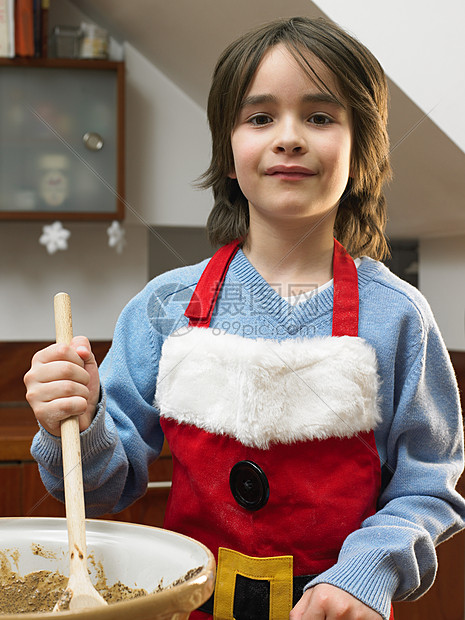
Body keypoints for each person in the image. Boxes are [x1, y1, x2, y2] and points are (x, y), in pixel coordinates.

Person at [24, 16, 465, 620]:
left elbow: (427, 486)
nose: (289, 137)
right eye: (260, 118)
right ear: (229, 155)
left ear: (361, 150)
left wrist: (367, 573)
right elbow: (102, 488)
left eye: (320, 116)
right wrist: (72, 422)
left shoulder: (399, 316)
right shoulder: (163, 307)